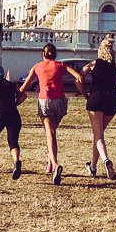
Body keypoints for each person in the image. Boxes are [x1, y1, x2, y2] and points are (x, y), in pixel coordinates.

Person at [20, 43, 85, 185]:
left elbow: (24, 87)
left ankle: (55, 164)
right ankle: (50, 163)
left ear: (42, 54)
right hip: (60, 101)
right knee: (52, 132)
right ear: (55, 54)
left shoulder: (37, 67)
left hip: (45, 100)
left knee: (50, 133)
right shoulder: (61, 65)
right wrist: (81, 91)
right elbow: (79, 77)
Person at [81, 35, 116, 180]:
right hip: (111, 100)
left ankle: (106, 160)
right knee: (99, 135)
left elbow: (79, 78)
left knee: (98, 135)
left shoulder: (92, 64)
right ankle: (93, 167)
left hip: (96, 99)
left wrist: (84, 93)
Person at [0, 65, 27, 180]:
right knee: (13, 140)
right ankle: (16, 161)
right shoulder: (12, 85)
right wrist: (16, 103)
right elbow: (24, 95)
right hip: (13, 114)